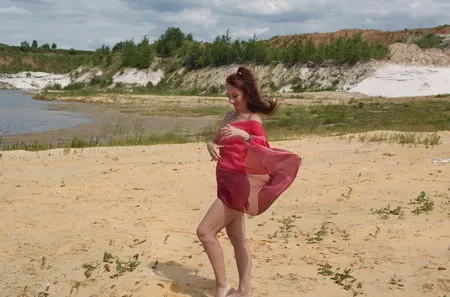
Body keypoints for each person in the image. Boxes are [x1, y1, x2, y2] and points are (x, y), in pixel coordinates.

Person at [196, 66, 302, 297]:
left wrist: (248, 136)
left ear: (246, 94)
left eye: (235, 95)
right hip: (224, 180)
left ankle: (223, 286)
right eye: (229, 96)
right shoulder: (228, 117)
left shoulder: (254, 120)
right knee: (237, 238)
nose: (232, 100)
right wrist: (210, 145)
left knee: (205, 232)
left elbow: (264, 153)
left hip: (239, 184)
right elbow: (217, 140)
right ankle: (244, 291)